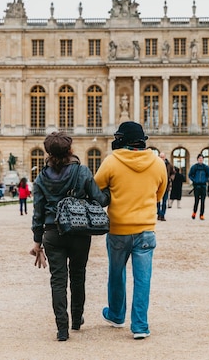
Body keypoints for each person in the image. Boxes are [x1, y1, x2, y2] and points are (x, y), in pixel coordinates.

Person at [30, 132, 109, 342]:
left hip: (52, 233)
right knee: (78, 276)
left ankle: (62, 329)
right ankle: (76, 319)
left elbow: (37, 213)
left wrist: (37, 242)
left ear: (48, 153)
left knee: (57, 281)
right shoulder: (82, 171)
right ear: (70, 150)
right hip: (79, 230)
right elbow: (100, 199)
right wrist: (110, 190)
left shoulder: (41, 177)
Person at [94, 121, 167, 340]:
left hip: (118, 229)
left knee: (117, 274)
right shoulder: (157, 163)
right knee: (143, 279)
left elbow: (95, 189)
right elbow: (159, 195)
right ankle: (140, 325)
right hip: (145, 229)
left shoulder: (111, 162)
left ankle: (116, 314)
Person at [188, 154, 209, 220]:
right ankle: (194, 213)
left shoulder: (206, 167)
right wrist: (195, 180)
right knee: (196, 201)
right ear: (197, 159)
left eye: (202, 158)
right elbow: (190, 175)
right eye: (199, 158)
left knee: (203, 202)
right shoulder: (194, 167)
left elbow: (208, 175)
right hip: (196, 186)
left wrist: (205, 180)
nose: (200, 160)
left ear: (203, 160)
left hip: (203, 186)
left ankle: (201, 214)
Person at [157, 152, 174, 221]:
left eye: (163, 157)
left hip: (166, 186)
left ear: (165, 157)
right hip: (157, 186)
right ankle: (159, 213)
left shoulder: (169, 165)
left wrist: (171, 179)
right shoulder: (156, 164)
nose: (162, 158)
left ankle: (162, 215)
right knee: (157, 202)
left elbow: (173, 173)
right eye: (160, 157)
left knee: (164, 202)